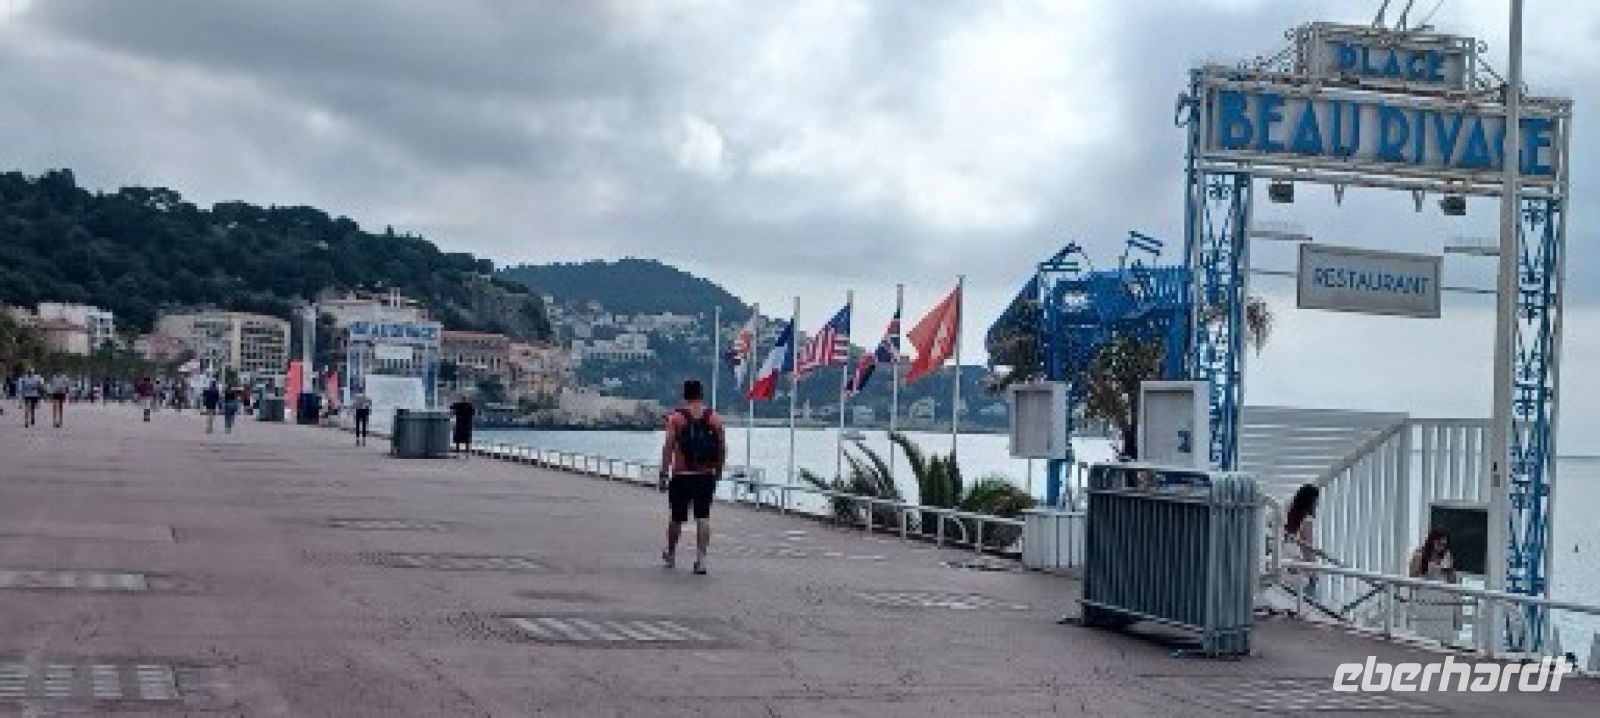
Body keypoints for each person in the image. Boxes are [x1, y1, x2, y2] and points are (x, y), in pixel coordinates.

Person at [657, 379, 725, 575]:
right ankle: (701, 559)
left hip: (681, 475)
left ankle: (670, 554)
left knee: (677, 518)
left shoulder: (676, 418)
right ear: (702, 394)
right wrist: (718, 470)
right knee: (703, 517)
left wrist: (663, 473)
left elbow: (668, 446)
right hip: (705, 475)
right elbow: (721, 447)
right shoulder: (714, 417)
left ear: (684, 395)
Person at [1409, 529, 1459, 643]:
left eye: (1444, 545)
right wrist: (1433, 568)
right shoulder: (1419, 555)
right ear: (1432, 541)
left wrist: (1449, 569)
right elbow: (1412, 577)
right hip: (1426, 596)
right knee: (1425, 632)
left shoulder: (1446, 557)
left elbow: (1452, 581)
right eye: (1439, 544)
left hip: (1444, 599)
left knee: (1443, 633)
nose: (1441, 547)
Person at [1283, 483, 1321, 594]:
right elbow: (1308, 549)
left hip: (1283, 561)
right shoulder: (1307, 520)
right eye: (1316, 500)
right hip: (1296, 567)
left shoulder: (1287, 510)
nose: (1317, 504)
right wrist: (1314, 574)